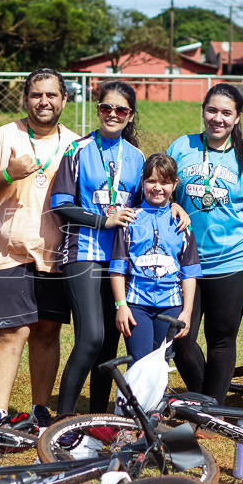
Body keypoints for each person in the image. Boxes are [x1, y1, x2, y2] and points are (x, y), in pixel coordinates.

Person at [0, 67, 78, 428]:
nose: (43, 101)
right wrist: (8, 173)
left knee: (47, 331)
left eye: (51, 95)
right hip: (6, 250)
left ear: (64, 99)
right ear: (26, 99)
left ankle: (40, 411)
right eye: (36, 95)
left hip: (57, 254)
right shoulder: (4, 137)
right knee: (9, 332)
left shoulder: (75, 145)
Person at [166, 83, 243, 404]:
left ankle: (210, 409)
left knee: (221, 339)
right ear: (203, 111)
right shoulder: (181, 147)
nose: (218, 118)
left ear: (238, 117)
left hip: (234, 261)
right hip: (184, 262)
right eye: (212, 110)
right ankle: (206, 400)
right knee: (179, 336)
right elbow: (161, 191)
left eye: (226, 113)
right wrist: (171, 204)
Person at [51, 80, 146, 415]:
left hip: (119, 259)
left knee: (108, 342)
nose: (112, 114)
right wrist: (102, 221)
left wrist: (175, 208)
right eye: (106, 107)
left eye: (121, 109)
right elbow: (60, 204)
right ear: (97, 109)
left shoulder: (136, 157)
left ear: (130, 115)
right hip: (83, 252)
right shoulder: (77, 150)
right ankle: (63, 418)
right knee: (90, 336)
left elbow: (148, 204)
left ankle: (98, 417)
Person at [110, 153, 201, 361]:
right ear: (142, 182)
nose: (158, 187)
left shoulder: (182, 223)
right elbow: (117, 269)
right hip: (136, 304)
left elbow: (189, 272)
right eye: (151, 181)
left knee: (162, 361)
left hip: (170, 304)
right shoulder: (130, 219)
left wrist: (187, 311)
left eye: (165, 182)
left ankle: (159, 396)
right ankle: (132, 395)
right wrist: (121, 306)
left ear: (175, 185)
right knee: (139, 361)